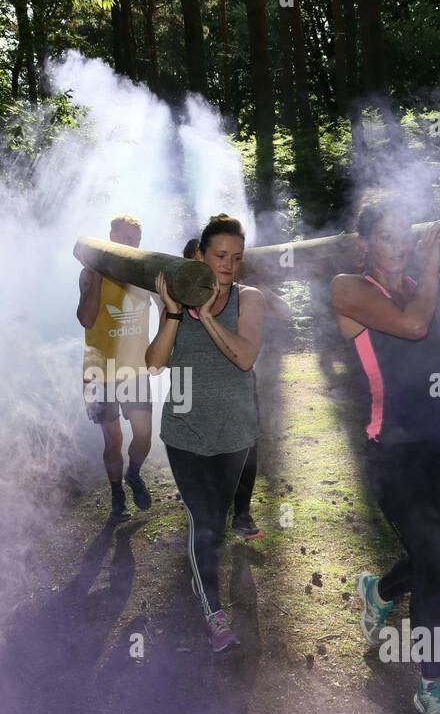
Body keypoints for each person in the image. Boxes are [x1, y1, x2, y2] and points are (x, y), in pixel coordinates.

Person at [329, 197, 440, 714]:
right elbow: (413, 325)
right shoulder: (349, 290)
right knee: (431, 561)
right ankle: (432, 686)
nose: (399, 247)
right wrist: (428, 279)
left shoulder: (420, 289)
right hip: (392, 451)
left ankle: (378, 592)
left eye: (407, 237)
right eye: (388, 237)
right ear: (366, 244)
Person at [147, 214, 264, 653]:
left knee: (216, 515)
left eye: (236, 258)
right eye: (219, 256)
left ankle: (202, 571)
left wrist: (208, 316)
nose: (228, 266)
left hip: (235, 431)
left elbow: (245, 357)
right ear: (198, 256)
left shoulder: (249, 300)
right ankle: (213, 613)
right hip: (185, 431)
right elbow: (155, 363)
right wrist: (176, 313)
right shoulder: (173, 300)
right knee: (207, 522)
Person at [179, 237, 293, 540]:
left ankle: (241, 514)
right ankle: (205, 513)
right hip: (195, 384)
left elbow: (285, 311)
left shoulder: (243, 295)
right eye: (197, 261)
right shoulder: (182, 296)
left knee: (247, 448)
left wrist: (256, 285)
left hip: (239, 382)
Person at [77, 215, 159, 521]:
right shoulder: (89, 273)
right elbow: (86, 319)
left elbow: (167, 310)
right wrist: (97, 277)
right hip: (98, 372)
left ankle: (133, 474)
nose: (129, 244)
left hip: (135, 370)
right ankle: (117, 496)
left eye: (134, 240)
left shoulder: (146, 274)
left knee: (144, 434)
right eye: (123, 238)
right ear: (110, 237)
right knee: (113, 440)